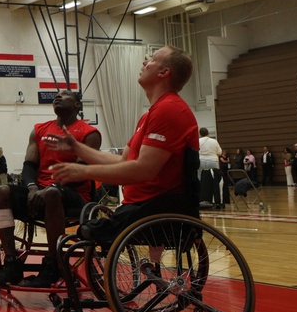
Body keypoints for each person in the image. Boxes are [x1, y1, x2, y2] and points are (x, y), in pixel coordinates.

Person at [48, 45, 199, 243]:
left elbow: (143, 170)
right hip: (140, 206)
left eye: (151, 59)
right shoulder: (151, 114)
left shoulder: (169, 110)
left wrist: (85, 172)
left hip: (151, 209)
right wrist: (78, 148)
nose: (145, 62)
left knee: (81, 236)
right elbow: (122, 160)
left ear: (164, 72)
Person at [0, 89, 101, 287]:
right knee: (2, 191)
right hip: (40, 192)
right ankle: (11, 262)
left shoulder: (89, 133)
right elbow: (29, 166)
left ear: (77, 105)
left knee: (51, 193)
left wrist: (50, 188)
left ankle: (52, 265)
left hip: (75, 195)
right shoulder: (39, 130)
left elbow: (81, 171)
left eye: (65, 94)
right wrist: (32, 188)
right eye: (56, 94)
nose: (58, 96)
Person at [197, 127, 223, 210]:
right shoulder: (214, 141)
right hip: (212, 161)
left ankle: (202, 199)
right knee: (215, 181)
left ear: (200, 134)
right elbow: (219, 152)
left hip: (201, 161)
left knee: (201, 180)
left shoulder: (198, 141)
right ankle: (215, 200)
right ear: (208, 133)